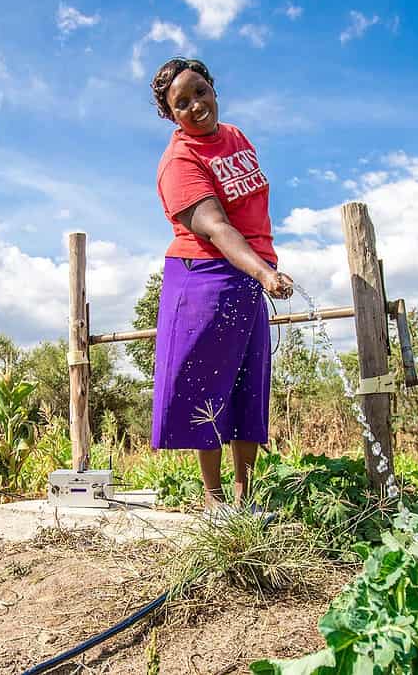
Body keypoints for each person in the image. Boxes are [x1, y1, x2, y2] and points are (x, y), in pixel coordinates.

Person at [149, 57, 292, 514]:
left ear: (213, 87)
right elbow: (215, 227)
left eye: (200, 92)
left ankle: (243, 503)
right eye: (182, 103)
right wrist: (264, 273)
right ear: (171, 115)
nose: (196, 106)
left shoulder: (236, 137)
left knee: (249, 386)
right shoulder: (178, 161)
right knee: (210, 388)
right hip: (205, 278)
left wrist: (261, 268)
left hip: (249, 273)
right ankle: (214, 504)